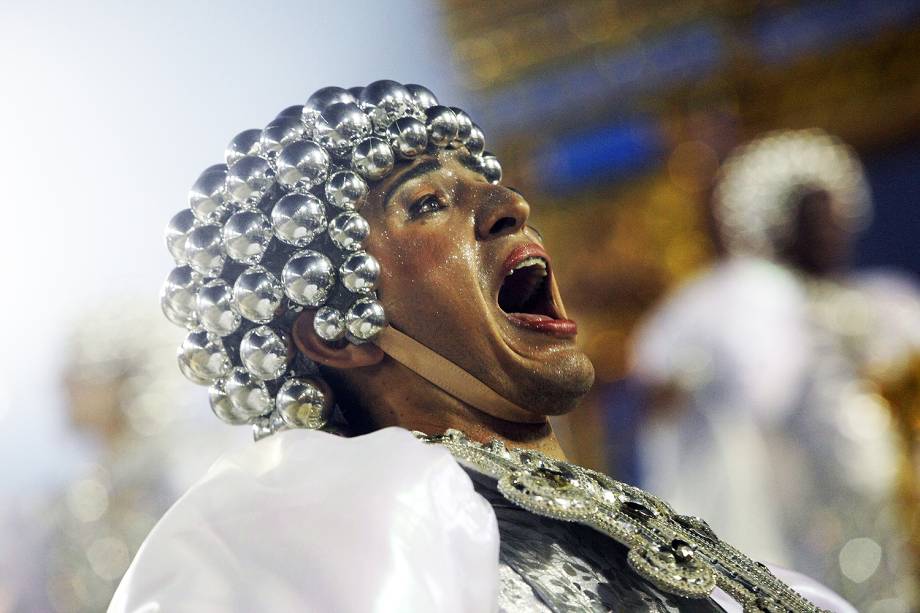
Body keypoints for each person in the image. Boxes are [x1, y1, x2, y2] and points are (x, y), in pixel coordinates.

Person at [111, 83, 853, 612]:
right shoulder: (336, 519)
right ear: (339, 333)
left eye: (485, 183)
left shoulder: (597, 523)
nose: (511, 206)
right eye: (428, 202)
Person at [629, 129, 920, 611]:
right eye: (813, 220)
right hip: (808, 506)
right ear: (782, 226)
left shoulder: (887, 301)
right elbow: (752, 398)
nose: (830, 232)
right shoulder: (746, 307)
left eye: (833, 218)